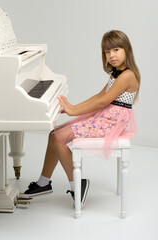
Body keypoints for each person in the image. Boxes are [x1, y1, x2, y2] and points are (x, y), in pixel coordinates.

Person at [23, 30, 140, 207]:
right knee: (53, 134)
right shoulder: (116, 73)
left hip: (111, 122)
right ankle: (43, 183)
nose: (111, 55)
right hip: (104, 116)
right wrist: (73, 107)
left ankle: (77, 186)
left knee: (58, 138)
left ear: (127, 50)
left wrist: (73, 111)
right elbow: (99, 95)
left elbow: (102, 101)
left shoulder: (127, 75)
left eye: (116, 50)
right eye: (107, 52)